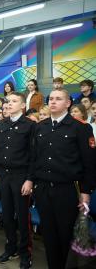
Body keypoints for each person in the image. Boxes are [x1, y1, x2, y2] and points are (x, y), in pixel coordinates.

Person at [33, 89, 96, 269]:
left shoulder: (81, 127)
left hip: (67, 190)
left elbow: (89, 163)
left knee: (65, 235)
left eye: (58, 99)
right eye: (50, 99)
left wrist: (85, 191)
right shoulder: (41, 126)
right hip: (44, 188)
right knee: (49, 235)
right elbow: (34, 157)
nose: (53, 102)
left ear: (68, 103)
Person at [0, 92, 35, 269]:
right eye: (8, 101)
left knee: (22, 217)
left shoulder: (31, 125)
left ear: (23, 105)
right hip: (3, 175)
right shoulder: (2, 125)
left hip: (21, 176)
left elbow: (34, 155)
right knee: (7, 215)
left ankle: (25, 252)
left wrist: (30, 179)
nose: (9, 104)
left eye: (14, 101)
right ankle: (11, 248)